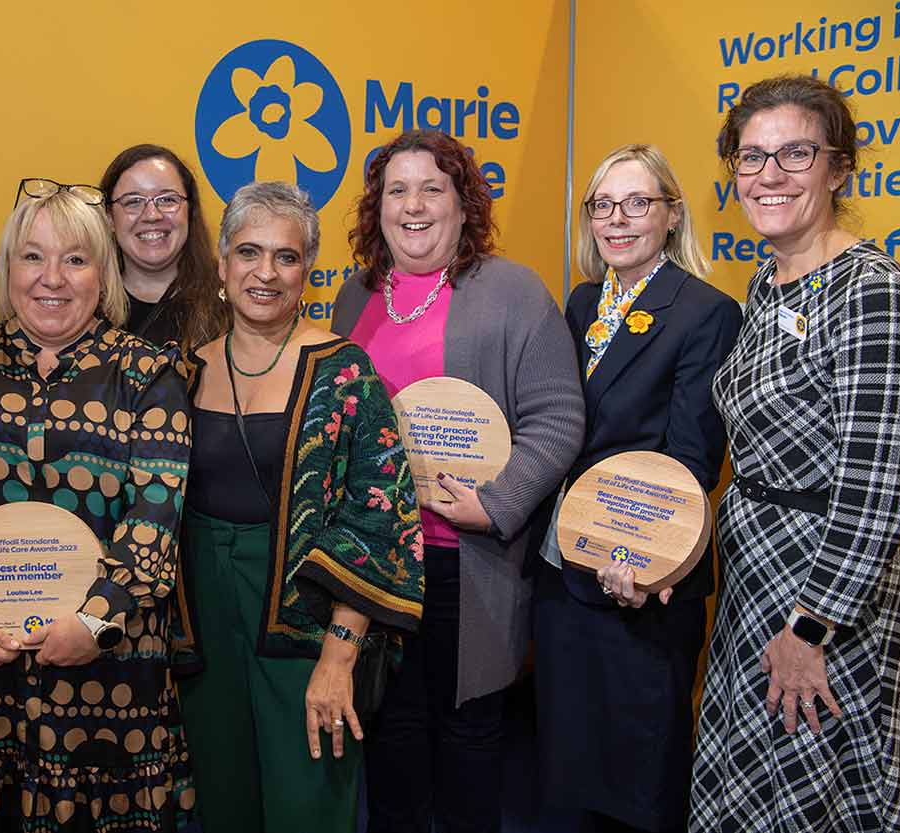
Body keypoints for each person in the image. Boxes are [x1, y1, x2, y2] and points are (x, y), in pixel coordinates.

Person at [0, 184, 193, 832]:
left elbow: (155, 513)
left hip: (105, 672)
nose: (52, 278)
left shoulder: (148, 373)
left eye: (75, 259)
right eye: (32, 256)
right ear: (7, 267)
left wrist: (95, 621)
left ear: (103, 274)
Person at [691, 74, 900, 832]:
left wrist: (811, 628)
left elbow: (872, 490)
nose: (770, 174)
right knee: (748, 788)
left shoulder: (873, 290)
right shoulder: (770, 278)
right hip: (755, 576)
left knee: (816, 793)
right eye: (751, 156)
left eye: (796, 153)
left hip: (826, 598)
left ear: (839, 169)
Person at [332, 129, 585, 833]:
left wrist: (497, 504)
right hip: (376, 564)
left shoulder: (512, 291)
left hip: (467, 563)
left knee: (468, 743)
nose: (413, 206)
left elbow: (558, 416)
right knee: (389, 741)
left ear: (464, 204)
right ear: (378, 208)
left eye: (432, 189)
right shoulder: (354, 298)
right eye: (397, 191)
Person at [172, 181, 424, 833]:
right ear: (222, 263)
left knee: (310, 807)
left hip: (309, 631)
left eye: (285, 256)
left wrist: (340, 657)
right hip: (204, 632)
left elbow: (379, 519)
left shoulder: (346, 371)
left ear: (307, 269)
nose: (266, 272)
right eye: (248, 252)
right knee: (224, 807)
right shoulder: (183, 372)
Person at [531, 144, 742, 833]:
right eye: (603, 204)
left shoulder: (706, 312)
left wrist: (645, 562)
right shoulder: (583, 301)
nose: (617, 219)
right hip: (565, 567)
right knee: (567, 767)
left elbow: (691, 458)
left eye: (637, 203)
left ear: (672, 214)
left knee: (637, 778)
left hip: (644, 581)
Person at [99, 145, 228, 349]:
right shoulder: (86, 304)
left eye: (167, 200)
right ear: (109, 218)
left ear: (190, 210)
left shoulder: (230, 300)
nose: (152, 215)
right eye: (133, 201)